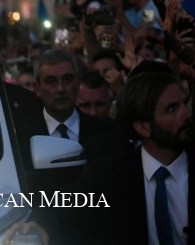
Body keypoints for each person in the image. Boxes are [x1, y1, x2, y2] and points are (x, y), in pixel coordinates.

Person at [61, 70, 193, 244]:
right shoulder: (108, 176)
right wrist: (38, 225)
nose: (186, 114)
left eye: (185, 103)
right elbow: (64, 211)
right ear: (143, 128)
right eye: (172, 109)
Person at [14, 48, 124, 173]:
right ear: (37, 88)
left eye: (67, 79)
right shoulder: (20, 136)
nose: (60, 89)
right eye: (51, 82)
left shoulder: (106, 132)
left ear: (77, 84)